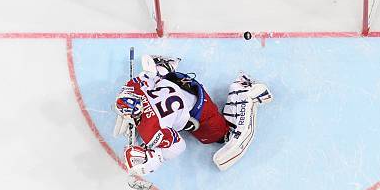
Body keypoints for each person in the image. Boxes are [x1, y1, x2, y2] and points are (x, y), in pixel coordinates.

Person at [113, 54, 272, 174]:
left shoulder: (152, 132)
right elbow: (149, 74)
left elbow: (179, 146)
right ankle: (165, 66)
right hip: (179, 82)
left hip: (197, 104)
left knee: (220, 135)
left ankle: (243, 90)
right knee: (156, 79)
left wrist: (157, 157)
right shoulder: (134, 88)